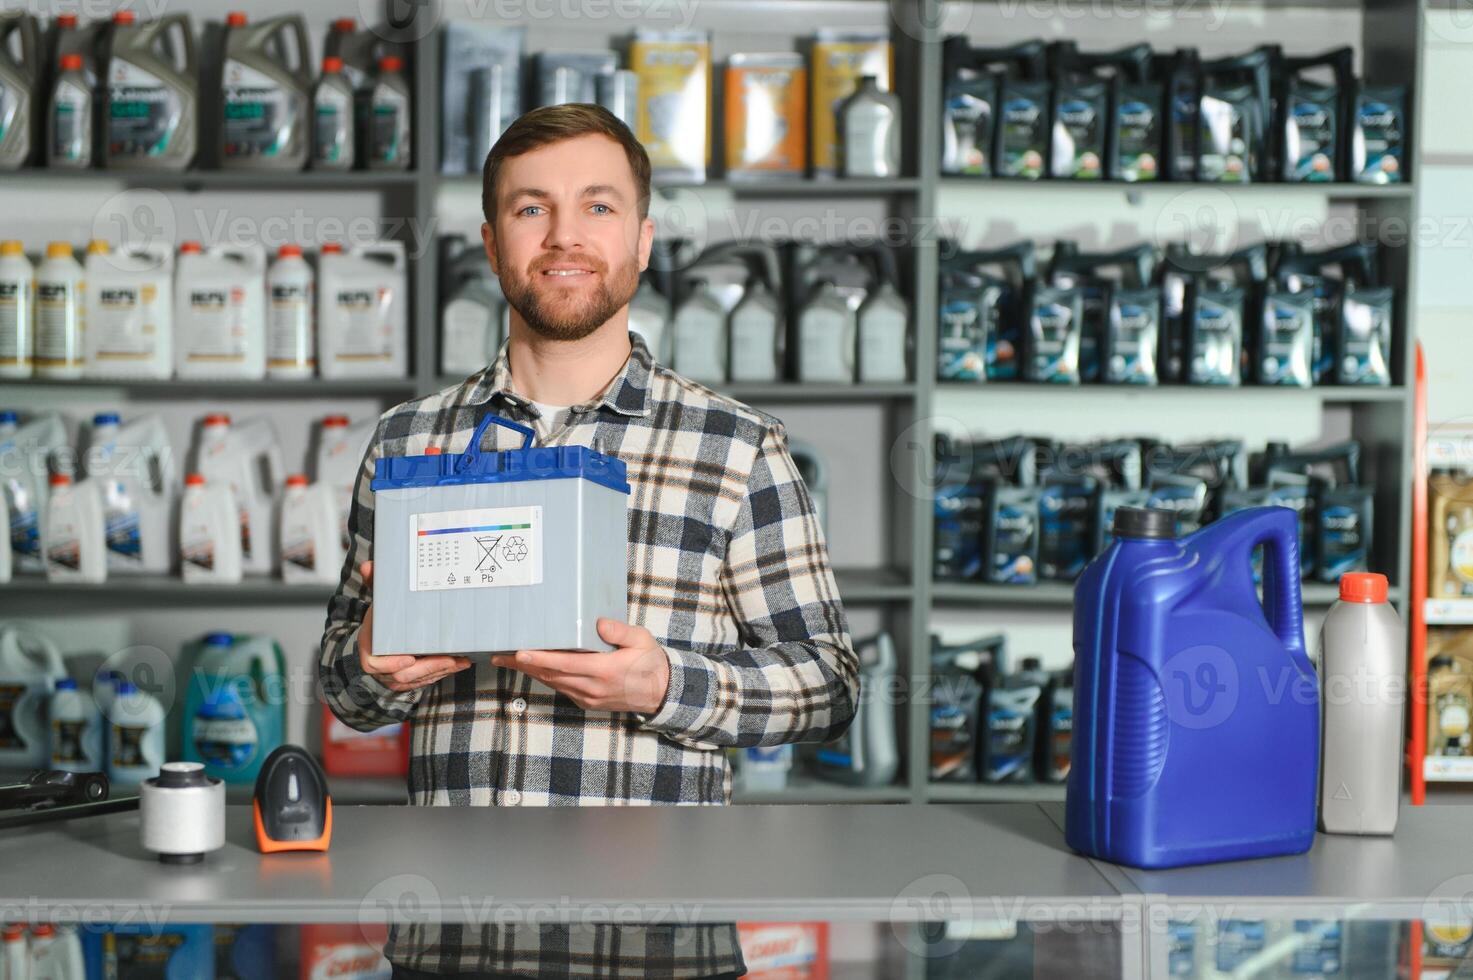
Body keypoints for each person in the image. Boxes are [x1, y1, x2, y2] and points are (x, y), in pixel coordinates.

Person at [319, 103, 860, 979]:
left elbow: (829, 684)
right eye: (532, 208)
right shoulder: (406, 441)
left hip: (654, 951)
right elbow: (345, 691)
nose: (564, 236)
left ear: (643, 240)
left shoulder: (735, 446)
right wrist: (372, 662)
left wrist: (664, 684)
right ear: (492, 243)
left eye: (597, 207)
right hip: (452, 947)